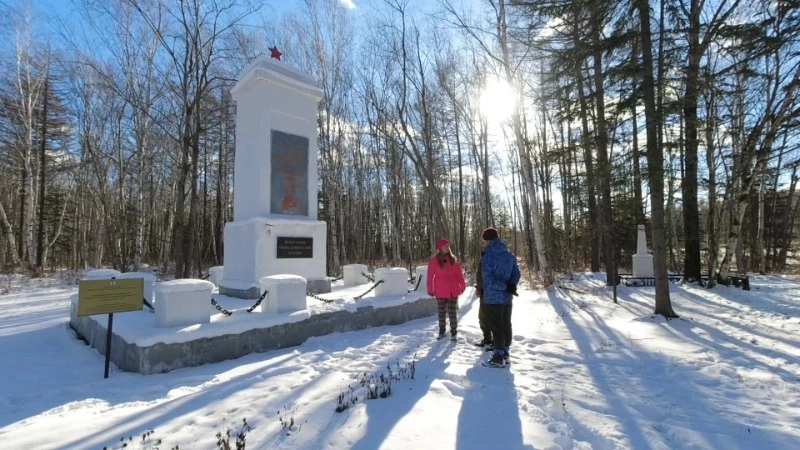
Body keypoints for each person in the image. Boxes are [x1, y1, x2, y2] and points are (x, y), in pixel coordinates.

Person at [480, 227, 520, 368]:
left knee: (497, 327)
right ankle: (505, 353)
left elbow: (489, 279)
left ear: (487, 240)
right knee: (506, 324)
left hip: (493, 298)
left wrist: (504, 286)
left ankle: (498, 357)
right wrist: (511, 285)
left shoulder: (489, 256)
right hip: (507, 298)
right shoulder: (508, 254)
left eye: (484, 240)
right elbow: (516, 273)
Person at [427, 238, 466, 341]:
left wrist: (463, 286)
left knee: (452, 312)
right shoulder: (434, 261)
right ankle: (442, 331)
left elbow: (459, 274)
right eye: (445, 246)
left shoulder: (453, 259)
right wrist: (430, 289)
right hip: (440, 291)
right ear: (440, 247)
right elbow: (430, 276)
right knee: (442, 313)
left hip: (453, 291)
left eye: (448, 246)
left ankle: (453, 331)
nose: (447, 248)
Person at [474, 249, 493, 350]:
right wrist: (478, 288)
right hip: (483, 293)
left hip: (493, 294)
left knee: (494, 318)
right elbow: (479, 277)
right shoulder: (482, 262)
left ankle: (497, 342)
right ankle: (487, 338)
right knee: (482, 317)